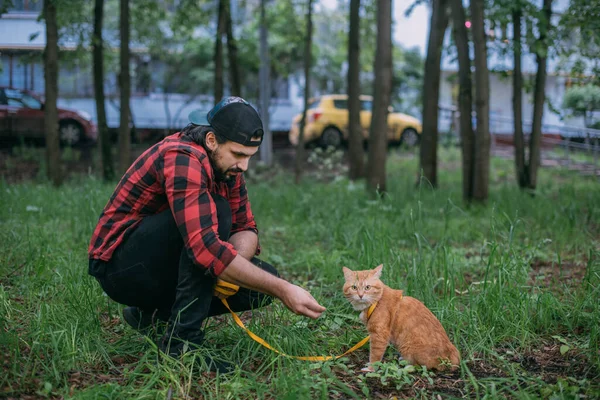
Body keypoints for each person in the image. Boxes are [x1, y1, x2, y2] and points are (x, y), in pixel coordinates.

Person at [88, 96, 326, 371]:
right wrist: (285, 290)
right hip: (120, 269)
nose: (243, 166)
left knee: (261, 282)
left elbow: (246, 228)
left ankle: (152, 317)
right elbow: (205, 249)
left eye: (249, 157)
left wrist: (232, 263)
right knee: (217, 212)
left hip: (161, 266)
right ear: (212, 140)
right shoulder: (182, 155)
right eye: (238, 154)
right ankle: (182, 345)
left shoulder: (227, 169)